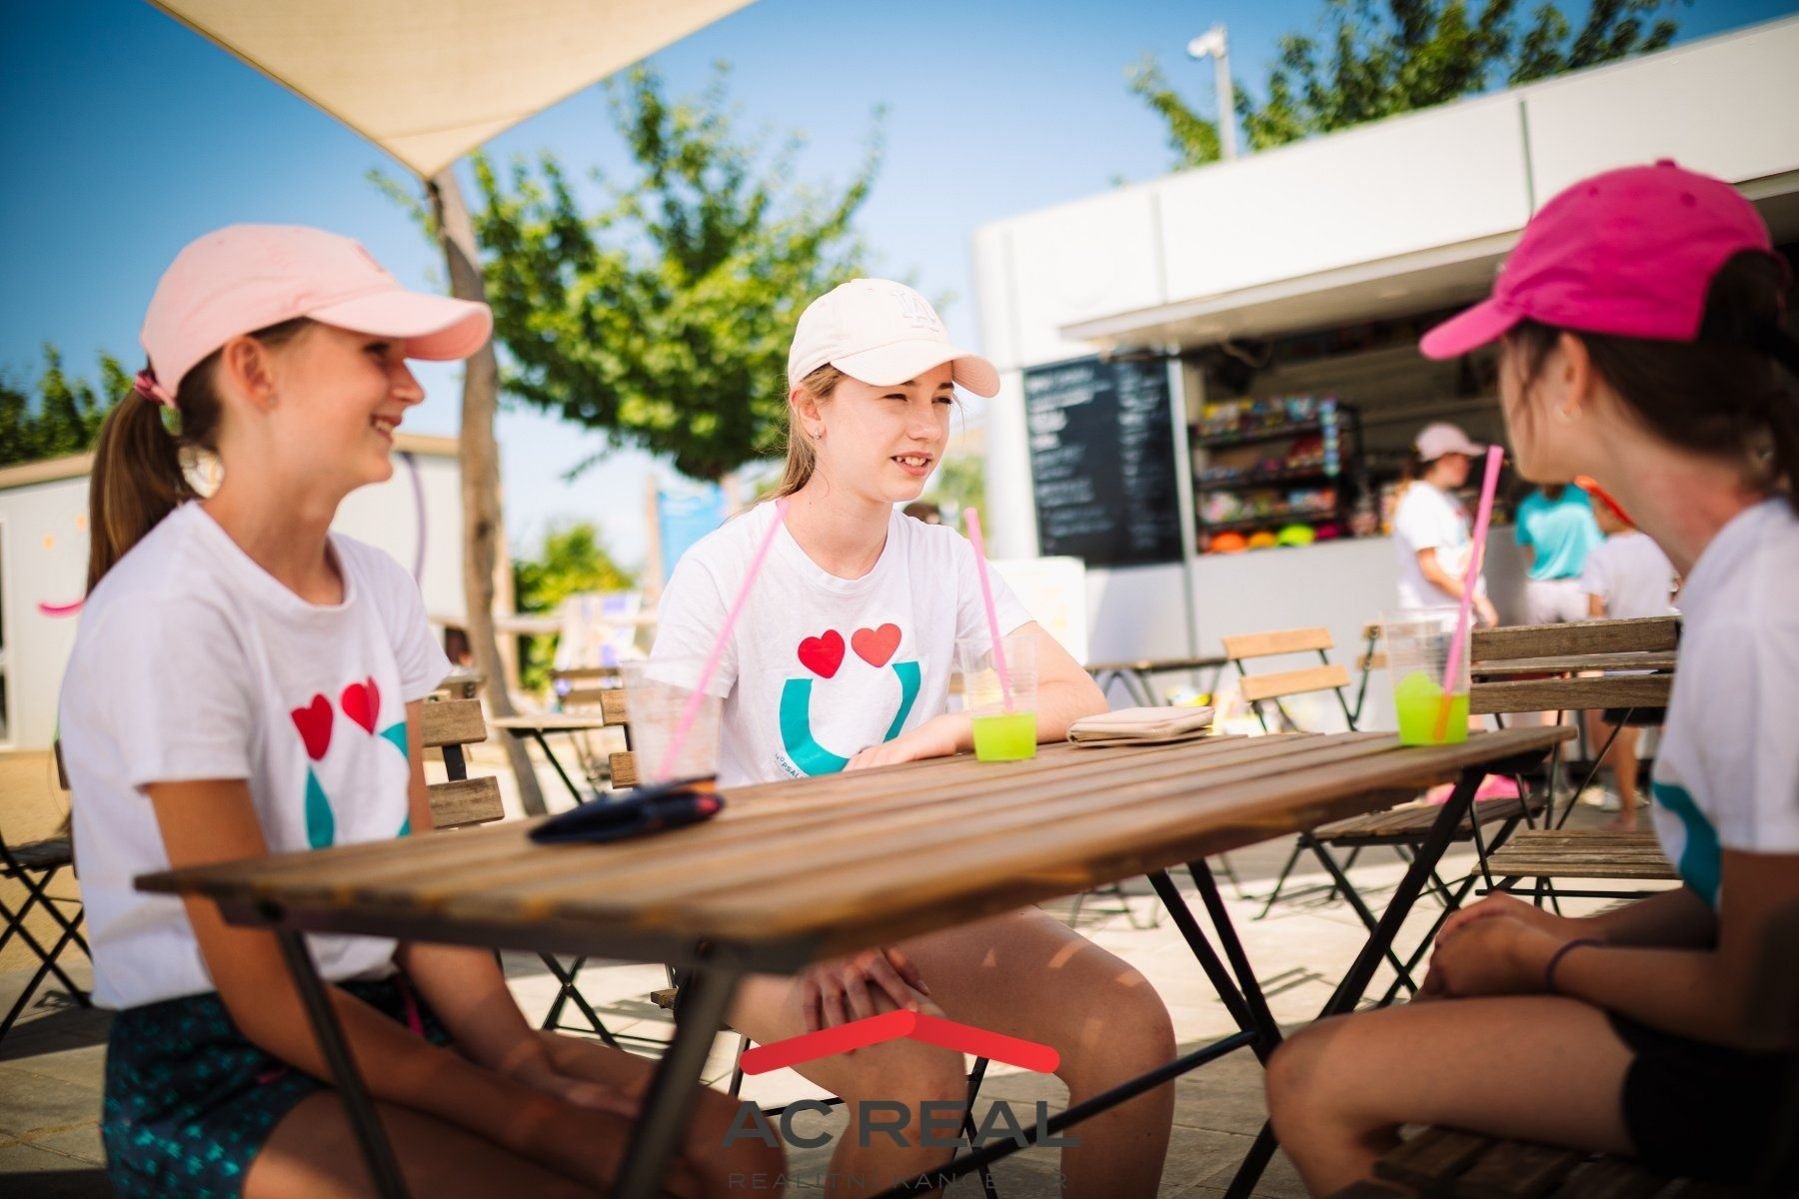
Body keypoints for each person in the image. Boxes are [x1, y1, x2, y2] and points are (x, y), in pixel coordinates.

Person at [58, 225, 780, 1199]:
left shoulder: (380, 587)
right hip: (215, 1057)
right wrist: (532, 1115)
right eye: (377, 353)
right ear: (254, 371)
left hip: (395, 1014)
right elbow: (262, 986)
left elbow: (413, 883)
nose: (411, 388)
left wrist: (522, 1061)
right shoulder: (167, 610)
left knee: (739, 1145)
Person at [1263, 161, 1799, 1194]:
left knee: (1310, 1073)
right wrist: (1564, 930)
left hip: (1765, 1086)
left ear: (1569, 370)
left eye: (1504, 350)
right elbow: (1748, 895)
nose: (1495, 386)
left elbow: (1762, 1002)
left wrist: (1543, 959)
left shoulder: (1757, 609)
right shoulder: (1749, 567)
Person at [652, 279, 1175, 1198]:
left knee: (1128, 1024)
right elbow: (672, 796)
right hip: (747, 913)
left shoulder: (942, 558)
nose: (926, 425)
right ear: (811, 410)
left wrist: (947, 728)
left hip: (906, 894)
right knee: (916, 1073)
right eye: (894, 395)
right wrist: (818, 916)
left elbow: (1073, 695)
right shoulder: (721, 569)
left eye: (939, 398)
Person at [1579, 486, 1679, 830]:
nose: (1593, 517)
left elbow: (1595, 611)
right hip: (1664, 654)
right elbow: (1680, 586)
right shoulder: (1659, 546)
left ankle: (1628, 815)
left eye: (1596, 510)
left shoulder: (1600, 556)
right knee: (1674, 733)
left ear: (1611, 512)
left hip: (1623, 661)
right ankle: (1687, 811)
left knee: (1624, 738)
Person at [1391, 422, 1500, 627]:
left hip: (1457, 617)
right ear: (1442, 458)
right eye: (1463, 457)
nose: (1467, 464)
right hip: (1436, 622)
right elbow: (1431, 570)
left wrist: (1476, 549)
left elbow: (1462, 546)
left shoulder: (1447, 498)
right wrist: (1478, 600)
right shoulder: (1419, 502)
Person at [1514, 482, 1602, 624]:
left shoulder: (1587, 496)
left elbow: (1529, 551)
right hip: (1557, 588)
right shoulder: (1527, 506)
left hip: (1567, 586)